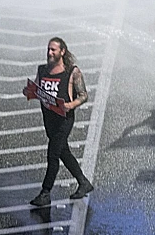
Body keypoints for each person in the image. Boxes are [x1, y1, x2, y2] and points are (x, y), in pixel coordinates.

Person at [28, 38, 93, 207]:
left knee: (53, 154)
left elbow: (84, 95)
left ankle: (45, 193)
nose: (50, 53)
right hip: (49, 119)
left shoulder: (72, 72)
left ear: (62, 51)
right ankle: (83, 182)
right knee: (63, 152)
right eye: (48, 49)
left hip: (64, 120)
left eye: (53, 50)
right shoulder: (42, 70)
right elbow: (37, 88)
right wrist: (30, 91)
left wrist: (69, 105)